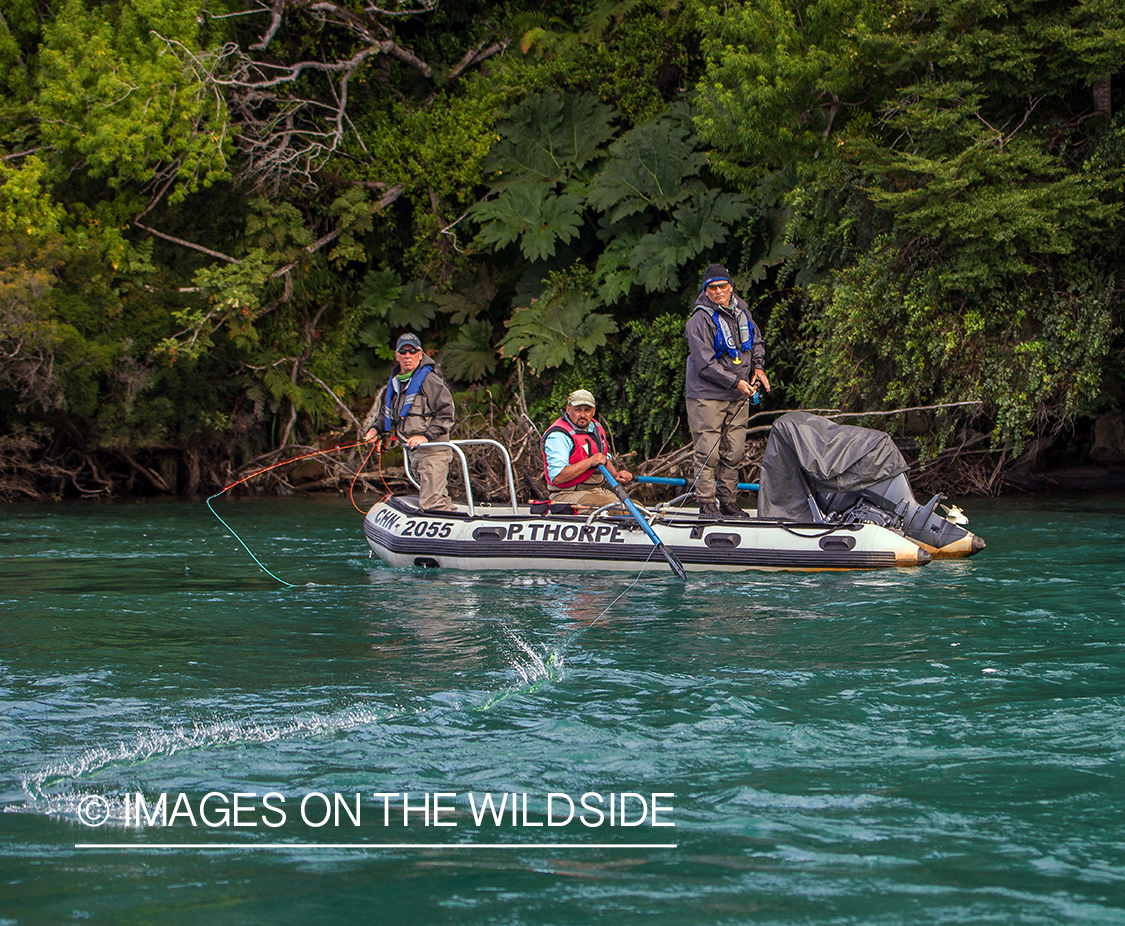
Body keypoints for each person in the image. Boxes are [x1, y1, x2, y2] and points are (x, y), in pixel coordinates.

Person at [684, 263, 770, 520]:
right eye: (713, 288)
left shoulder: (742, 311)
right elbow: (704, 364)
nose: (719, 291)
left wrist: (758, 367)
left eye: (723, 286)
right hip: (707, 394)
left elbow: (756, 342)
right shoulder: (698, 320)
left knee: (733, 451)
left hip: (738, 394)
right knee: (708, 451)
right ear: (706, 290)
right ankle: (706, 503)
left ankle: (728, 501)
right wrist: (735, 382)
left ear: (731, 287)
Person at [365, 333, 456, 512]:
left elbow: (447, 413)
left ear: (420, 354)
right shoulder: (397, 382)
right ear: (397, 355)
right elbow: (388, 415)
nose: (408, 356)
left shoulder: (429, 380)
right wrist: (375, 429)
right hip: (415, 453)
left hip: (433, 452)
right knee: (436, 499)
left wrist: (425, 436)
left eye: (412, 351)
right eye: (403, 352)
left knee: (432, 504)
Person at [541, 389, 633, 509]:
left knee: (637, 507)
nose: (583, 415)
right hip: (566, 495)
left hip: (595, 491)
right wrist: (590, 461)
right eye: (578, 410)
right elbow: (558, 477)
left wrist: (616, 475)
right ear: (569, 410)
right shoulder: (558, 435)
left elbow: (604, 459)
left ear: (593, 411)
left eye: (587, 410)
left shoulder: (596, 428)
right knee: (617, 508)